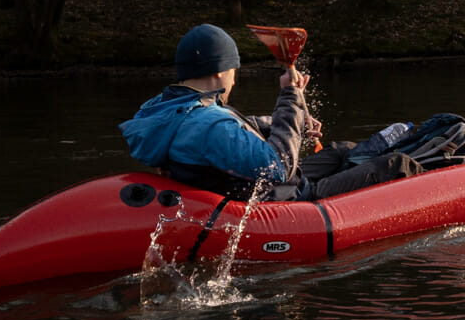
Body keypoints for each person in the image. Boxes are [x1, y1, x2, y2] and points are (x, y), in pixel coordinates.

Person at [119, 24, 420, 201]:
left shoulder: (170, 109)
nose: (234, 79)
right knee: (397, 163)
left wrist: (294, 120)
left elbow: (237, 129)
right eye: (234, 71)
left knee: (342, 152)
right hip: (282, 198)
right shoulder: (209, 123)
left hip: (259, 184)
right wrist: (290, 97)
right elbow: (278, 168)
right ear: (221, 71)